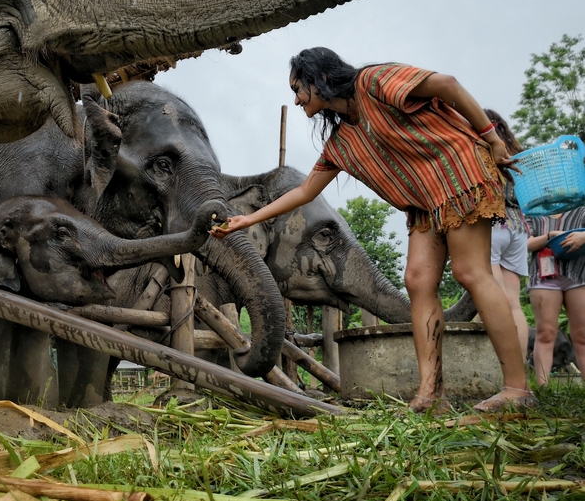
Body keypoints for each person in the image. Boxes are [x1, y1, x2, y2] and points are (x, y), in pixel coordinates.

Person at [211, 47, 535, 413]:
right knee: (416, 280)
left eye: (298, 88)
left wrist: (491, 137)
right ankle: (431, 394)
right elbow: (304, 191)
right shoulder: (342, 142)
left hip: (457, 173)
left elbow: (447, 84)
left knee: (470, 271)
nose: (297, 99)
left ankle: (517, 389)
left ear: (318, 79)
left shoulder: (374, 82)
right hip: (424, 201)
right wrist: (247, 220)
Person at [484, 109, 530, 366]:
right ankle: (520, 368)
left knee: (496, 302)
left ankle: (505, 372)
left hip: (492, 226)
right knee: (513, 303)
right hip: (518, 229)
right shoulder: (517, 157)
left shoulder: (485, 152)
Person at [525, 207, 585, 386]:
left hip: (578, 275)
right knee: (545, 333)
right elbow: (524, 244)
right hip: (544, 277)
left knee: (582, 335)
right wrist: (550, 236)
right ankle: (543, 390)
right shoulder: (531, 211)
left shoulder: (581, 207)